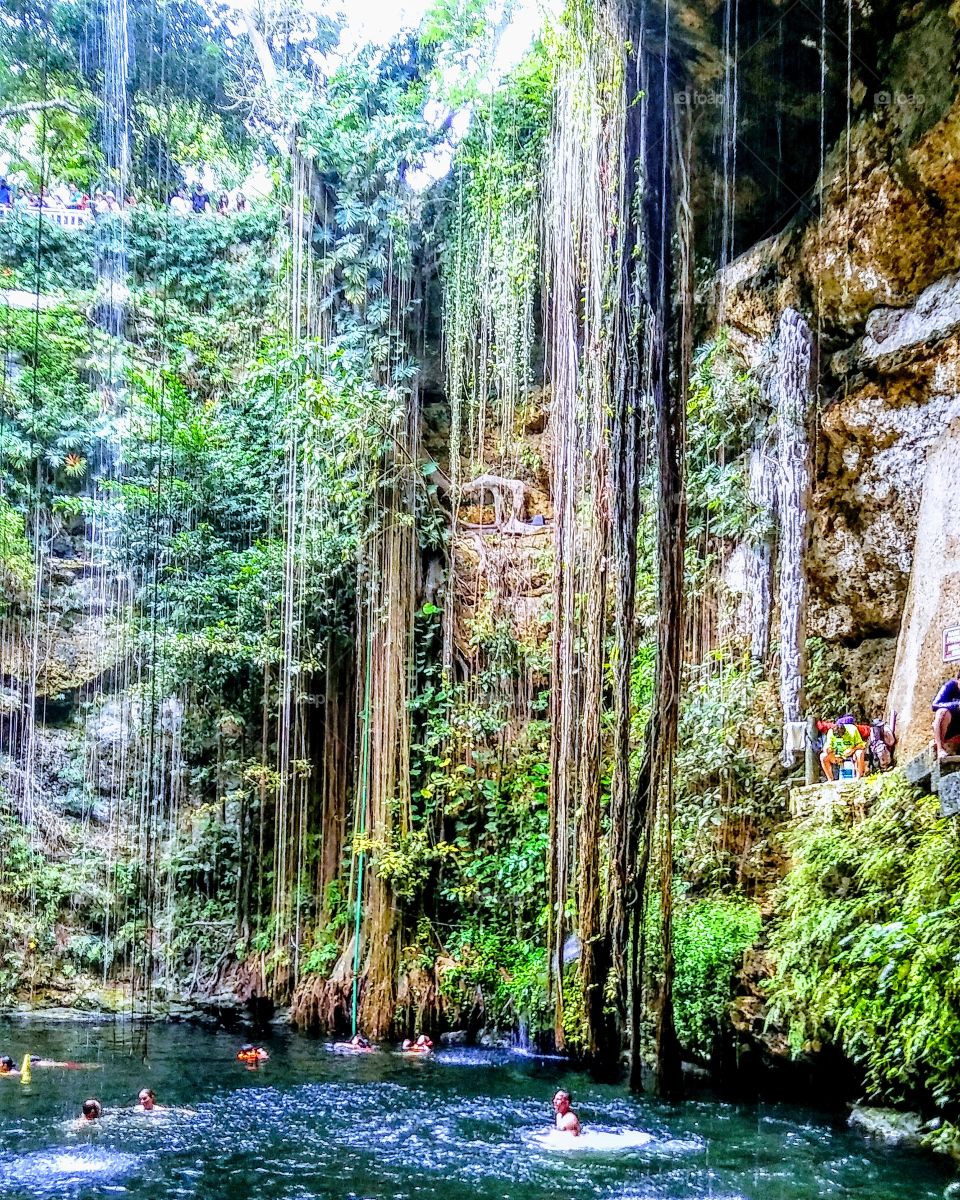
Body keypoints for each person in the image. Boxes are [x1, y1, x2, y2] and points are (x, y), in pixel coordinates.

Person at [820, 714, 867, 781]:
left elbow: (862, 745)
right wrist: (828, 750)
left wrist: (853, 749)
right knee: (823, 756)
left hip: (852, 754)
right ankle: (830, 779)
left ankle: (858, 777)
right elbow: (828, 746)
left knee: (860, 753)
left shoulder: (852, 730)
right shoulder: (830, 732)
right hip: (838, 755)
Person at [933, 680, 960, 759]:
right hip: (949, 726)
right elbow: (935, 705)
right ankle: (940, 749)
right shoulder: (950, 686)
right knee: (942, 712)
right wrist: (956, 705)